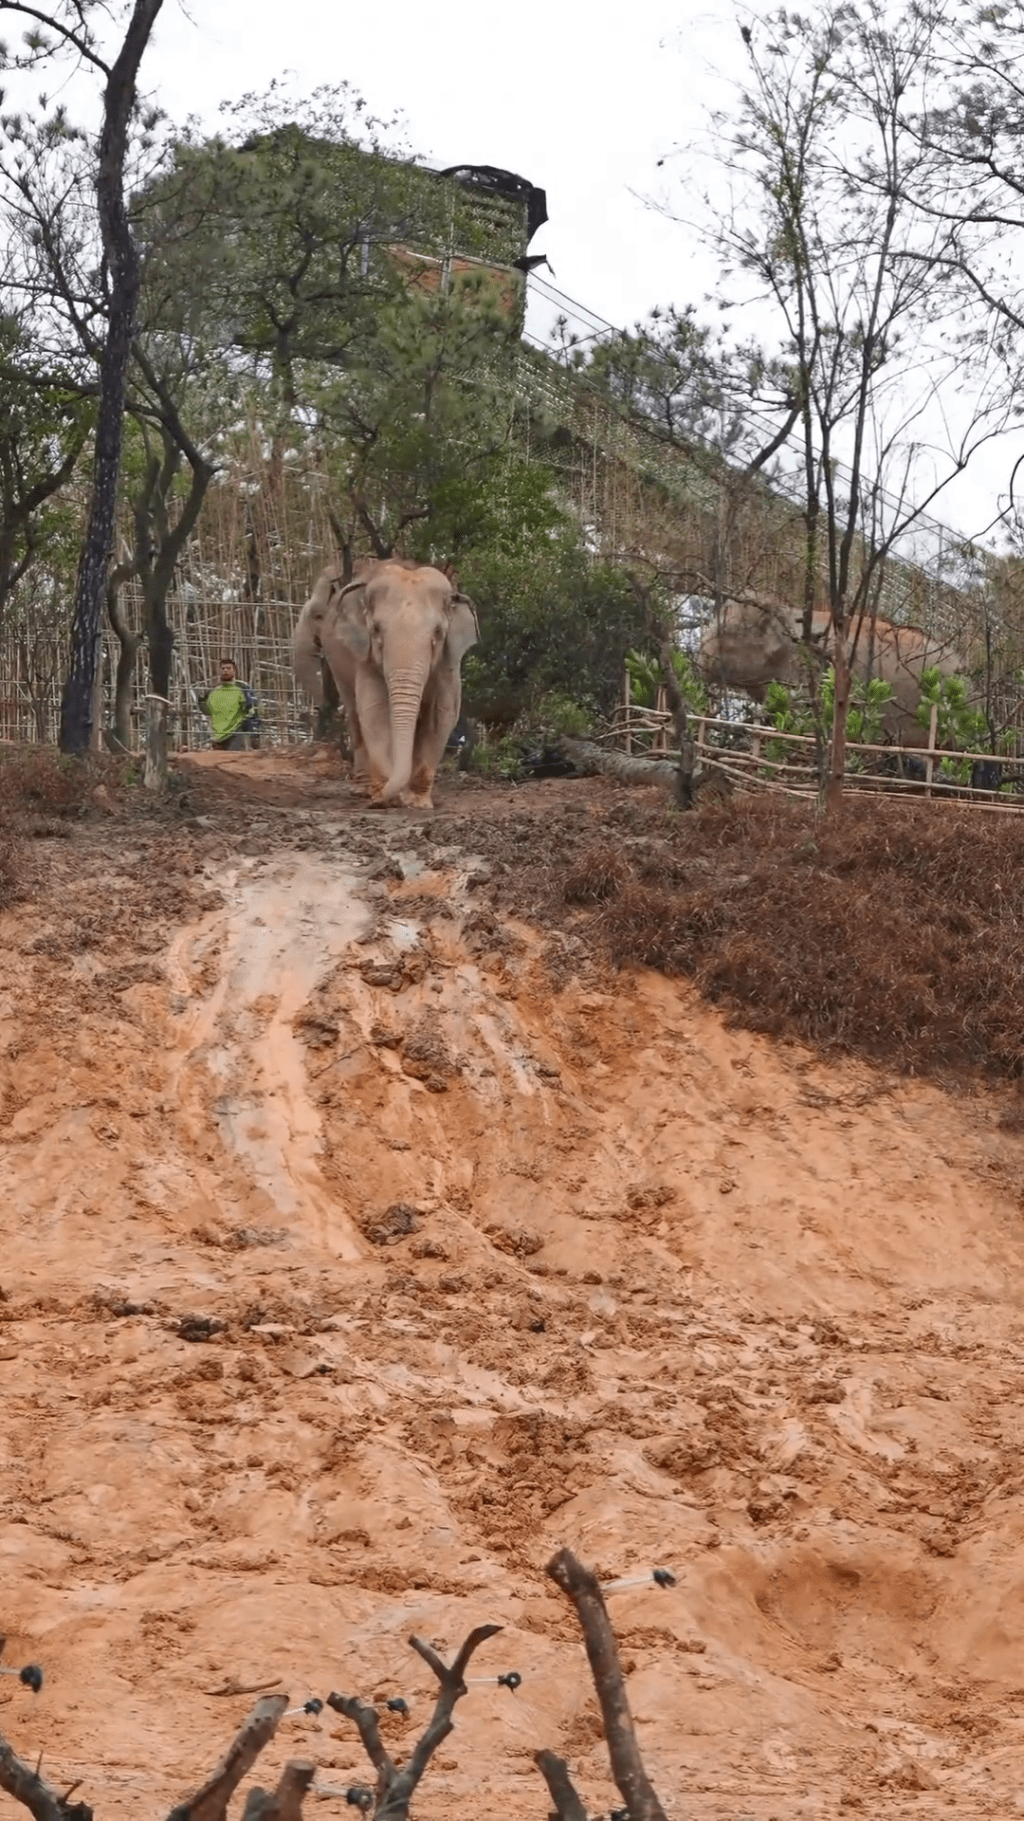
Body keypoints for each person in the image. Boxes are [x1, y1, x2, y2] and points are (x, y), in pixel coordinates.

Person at [198, 658, 260, 751]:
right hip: (218, 734)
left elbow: (253, 708)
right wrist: (200, 702)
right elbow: (207, 710)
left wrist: (250, 728)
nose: (225, 671)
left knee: (235, 761)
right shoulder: (213, 690)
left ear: (234, 671)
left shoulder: (242, 688)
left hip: (236, 732)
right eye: (223, 668)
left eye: (228, 668)